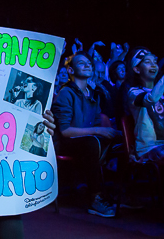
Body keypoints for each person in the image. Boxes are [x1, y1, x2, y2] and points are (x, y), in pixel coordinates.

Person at [52, 53, 121, 216]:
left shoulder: (93, 94)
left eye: (89, 63)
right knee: (92, 143)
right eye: (81, 63)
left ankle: (113, 193)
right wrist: (98, 131)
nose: (87, 65)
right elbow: (66, 131)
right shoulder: (66, 93)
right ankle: (95, 198)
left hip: (86, 142)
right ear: (70, 69)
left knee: (117, 140)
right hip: (66, 143)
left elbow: (97, 122)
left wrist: (105, 133)